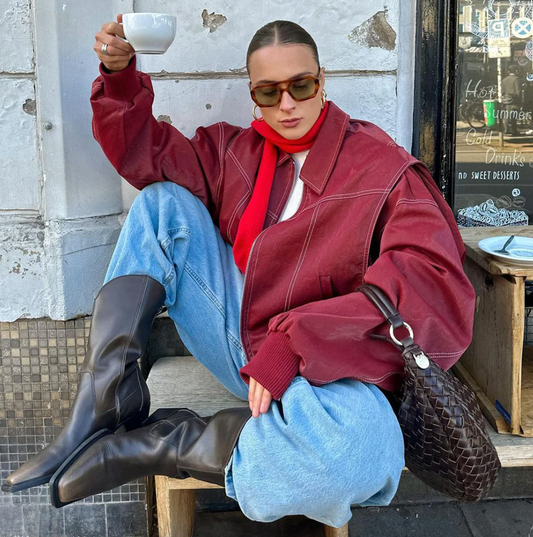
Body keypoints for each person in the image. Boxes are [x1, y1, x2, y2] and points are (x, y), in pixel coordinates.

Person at [2, 15, 476, 527]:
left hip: (334, 370)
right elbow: (148, 157)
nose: (287, 104)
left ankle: (158, 444)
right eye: (269, 93)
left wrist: (298, 341)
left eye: (300, 85)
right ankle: (103, 404)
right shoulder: (236, 153)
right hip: (242, 342)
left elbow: (429, 280)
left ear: (323, 80)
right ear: (254, 96)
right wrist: (119, 76)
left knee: (357, 456)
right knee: (162, 205)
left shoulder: (380, 168)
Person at [501, 64, 522, 136]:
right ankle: (513, 130)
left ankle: (506, 129)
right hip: (514, 100)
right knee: (514, 116)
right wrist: (520, 100)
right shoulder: (517, 79)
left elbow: (502, 91)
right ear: (516, 71)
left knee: (507, 115)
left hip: (506, 100)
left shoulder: (504, 80)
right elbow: (518, 91)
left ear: (508, 71)